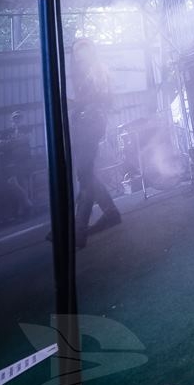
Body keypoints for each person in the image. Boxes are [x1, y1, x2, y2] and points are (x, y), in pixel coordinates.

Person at [68, 38, 121, 248]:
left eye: (82, 49)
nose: (78, 53)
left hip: (91, 123)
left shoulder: (98, 69)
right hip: (85, 124)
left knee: (85, 174)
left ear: (90, 51)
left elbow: (100, 98)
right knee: (86, 173)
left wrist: (72, 103)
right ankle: (110, 213)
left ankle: (79, 229)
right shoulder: (82, 73)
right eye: (75, 50)